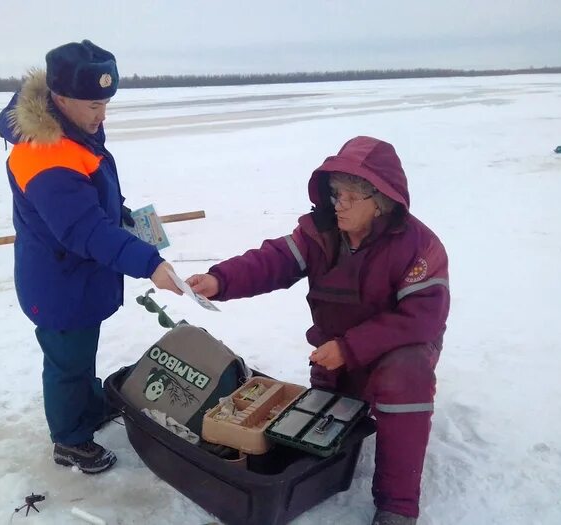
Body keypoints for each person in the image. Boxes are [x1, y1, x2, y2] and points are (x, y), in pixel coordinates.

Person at [187, 136, 450, 525]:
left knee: (404, 376)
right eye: (334, 193)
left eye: (348, 197)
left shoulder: (420, 248)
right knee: (324, 422)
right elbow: (271, 262)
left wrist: (350, 347)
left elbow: (423, 319)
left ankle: (397, 504)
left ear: (380, 202)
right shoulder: (320, 234)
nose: (337, 204)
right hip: (336, 355)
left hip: (395, 351)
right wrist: (218, 280)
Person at [0, 40, 181, 474]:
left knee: (81, 353)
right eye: (94, 105)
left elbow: (92, 200)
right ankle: (69, 438)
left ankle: (88, 405)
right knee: (66, 363)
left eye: (107, 104)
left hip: (78, 278)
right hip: (58, 284)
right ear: (60, 99)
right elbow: (85, 230)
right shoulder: (45, 156)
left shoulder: (73, 133)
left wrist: (122, 214)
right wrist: (148, 263)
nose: (102, 115)